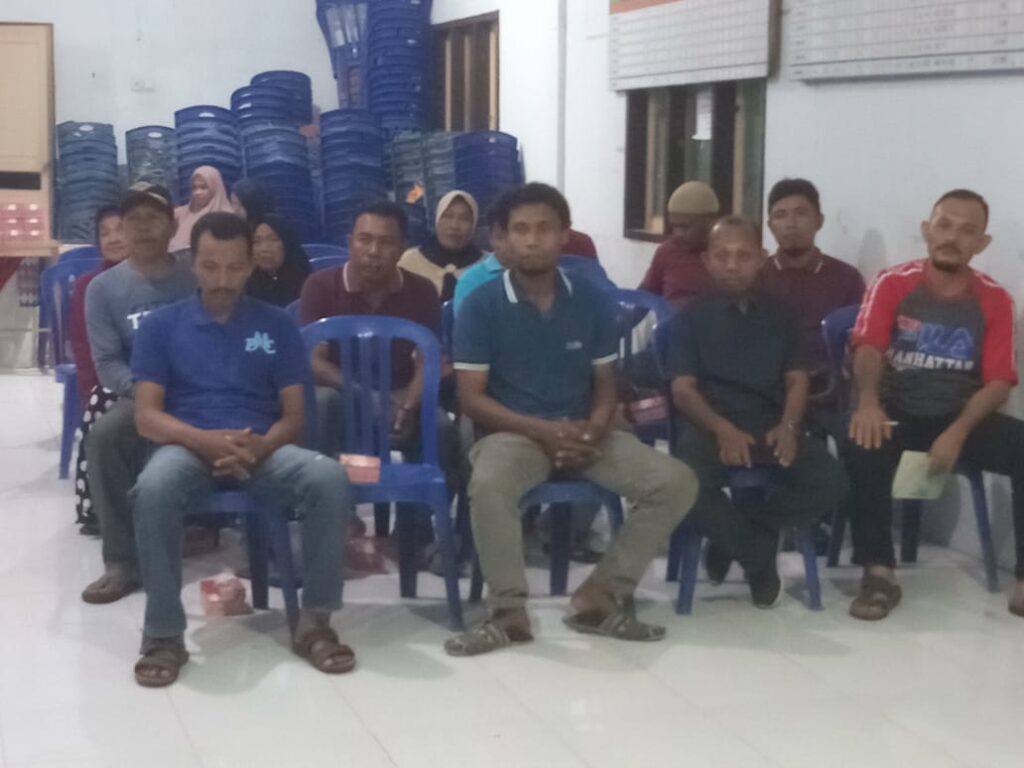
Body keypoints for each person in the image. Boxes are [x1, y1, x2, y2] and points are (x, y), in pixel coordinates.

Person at [446, 183, 698, 656]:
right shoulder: (481, 305)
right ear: (504, 238)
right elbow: (472, 399)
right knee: (490, 483)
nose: (532, 240)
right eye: (521, 230)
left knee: (676, 481)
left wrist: (595, 428)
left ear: (564, 235)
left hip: (584, 431)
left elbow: (606, 382)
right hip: (512, 434)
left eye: (544, 229)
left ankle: (599, 595)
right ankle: (508, 611)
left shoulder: (590, 300)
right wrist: (541, 430)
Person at [129, 212, 353, 687]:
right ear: (193, 263)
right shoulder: (161, 327)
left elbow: (295, 416)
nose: (222, 280)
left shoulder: (277, 325)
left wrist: (260, 446)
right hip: (187, 444)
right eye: (211, 267)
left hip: (261, 447)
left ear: (251, 266)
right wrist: (204, 441)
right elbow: (147, 417)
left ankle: (315, 622)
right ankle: (163, 633)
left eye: (234, 268)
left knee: (329, 478)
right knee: (153, 488)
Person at [845, 189, 1024, 620]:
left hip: (959, 416)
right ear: (927, 230)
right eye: (944, 225)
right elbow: (867, 348)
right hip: (895, 409)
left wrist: (957, 432)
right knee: (862, 443)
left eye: (967, 231)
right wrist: (867, 402)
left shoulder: (995, 299)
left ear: (981, 243)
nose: (952, 237)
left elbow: (999, 382)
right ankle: (879, 572)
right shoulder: (892, 282)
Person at [668, 216, 849, 607]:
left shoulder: (782, 315)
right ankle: (757, 559)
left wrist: (789, 425)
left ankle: (735, 539)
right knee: (683, 483)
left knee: (832, 480)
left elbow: (797, 380)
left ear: (761, 259)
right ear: (707, 261)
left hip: (770, 424)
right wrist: (721, 428)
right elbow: (683, 391)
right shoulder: (688, 319)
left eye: (743, 255)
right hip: (710, 426)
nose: (732, 265)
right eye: (722, 256)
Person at [300, 201, 460, 563]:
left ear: (402, 247)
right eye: (364, 239)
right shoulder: (321, 286)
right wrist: (365, 394)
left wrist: (409, 404)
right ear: (349, 242)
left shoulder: (422, 291)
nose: (373, 251)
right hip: (343, 397)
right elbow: (312, 361)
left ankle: (414, 531)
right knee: (320, 404)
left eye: (386, 242)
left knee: (442, 427)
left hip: (399, 397)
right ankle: (332, 516)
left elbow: (427, 360)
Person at [81, 184, 196, 605]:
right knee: (105, 436)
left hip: (201, 391)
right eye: (133, 220)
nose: (143, 228)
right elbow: (108, 363)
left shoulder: (196, 275)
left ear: (173, 225)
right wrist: (149, 393)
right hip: (140, 396)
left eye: (152, 218)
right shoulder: (103, 289)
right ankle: (122, 561)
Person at [759, 178, 866, 396]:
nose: (791, 223)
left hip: (829, 391)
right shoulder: (757, 277)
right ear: (770, 226)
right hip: (767, 389)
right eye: (781, 215)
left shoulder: (847, 278)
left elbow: (859, 343)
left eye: (800, 213)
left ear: (819, 221)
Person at [70, 205, 129, 534]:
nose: (114, 238)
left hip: (150, 382)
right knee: (100, 404)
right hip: (107, 382)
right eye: (105, 233)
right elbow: (84, 350)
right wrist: (89, 391)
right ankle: (97, 507)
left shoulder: (155, 279)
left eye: (120, 229)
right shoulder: (88, 286)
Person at [638, 181, 720, 307]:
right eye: (674, 226)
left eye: (685, 227)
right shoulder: (666, 252)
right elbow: (644, 299)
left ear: (710, 222)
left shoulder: (729, 254)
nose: (678, 234)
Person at [398, 190, 483, 302]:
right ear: (437, 219)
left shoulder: (489, 266)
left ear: (474, 224)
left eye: (464, 219)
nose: (454, 225)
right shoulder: (409, 261)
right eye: (448, 216)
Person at [451, 194, 511, 317]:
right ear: (491, 238)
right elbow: (467, 326)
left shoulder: (540, 274)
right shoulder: (471, 281)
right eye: (500, 237)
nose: (508, 244)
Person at [246, 214, 312, 307]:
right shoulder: (245, 284)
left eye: (274, 239)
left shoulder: (308, 283)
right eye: (256, 241)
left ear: (287, 243)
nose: (264, 249)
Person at [169, 166, 234, 253]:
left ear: (215, 187)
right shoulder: (179, 214)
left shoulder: (228, 219)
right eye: (194, 188)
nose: (198, 192)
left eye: (203, 187)